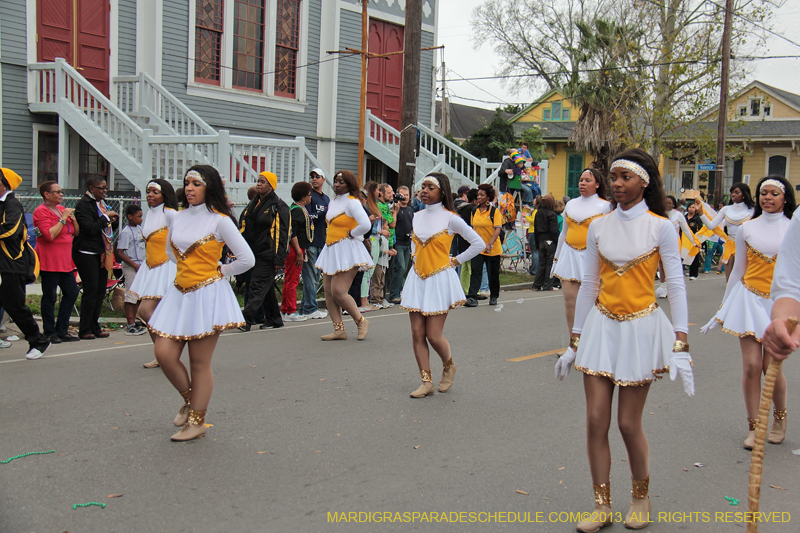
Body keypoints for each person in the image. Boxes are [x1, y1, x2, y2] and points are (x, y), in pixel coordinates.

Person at [555, 149, 693, 532]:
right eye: (612, 177)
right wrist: (574, 340)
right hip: (601, 327)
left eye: (624, 177)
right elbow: (589, 287)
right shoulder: (599, 226)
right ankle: (601, 504)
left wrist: (681, 340)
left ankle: (640, 495)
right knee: (595, 421)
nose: (616, 183)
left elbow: (676, 284)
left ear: (644, 182)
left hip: (640, 329)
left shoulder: (661, 227)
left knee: (628, 424)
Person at [148, 165, 255, 441]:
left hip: (207, 295)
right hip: (178, 293)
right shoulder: (177, 217)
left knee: (199, 362)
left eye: (196, 183)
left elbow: (246, 259)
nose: (190, 188)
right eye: (187, 183)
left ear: (209, 188)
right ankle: (189, 399)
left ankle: (196, 422)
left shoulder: (220, 221)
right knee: (164, 354)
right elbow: (173, 254)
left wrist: (221, 271)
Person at [701, 175, 795, 449]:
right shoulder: (746, 228)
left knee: (771, 367)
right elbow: (738, 269)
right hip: (749, 299)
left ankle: (780, 417)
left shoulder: (793, 229)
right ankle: (754, 426)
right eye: (763, 193)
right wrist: (721, 311)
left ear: (785, 198)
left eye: (774, 193)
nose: (767, 197)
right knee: (753, 366)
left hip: (779, 304)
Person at [400, 173, 484, 397]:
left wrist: (456, 260)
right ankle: (425, 382)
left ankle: (448, 365)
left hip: (439, 279)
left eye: (430, 187)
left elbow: (478, 243)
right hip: (417, 278)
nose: (424, 190)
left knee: (433, 335)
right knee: (417, 333)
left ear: (442, 191)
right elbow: (415, 247)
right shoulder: (416, 216)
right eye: (423, 187)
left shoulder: (451, 218)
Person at [551, 169, 612, 341]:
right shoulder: (571, 204)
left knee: (593, 304)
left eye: (587, 180)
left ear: (597, 184)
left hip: (592, 258)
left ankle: (593, 344)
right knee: (570, 302)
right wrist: (556, 259)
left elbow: (609, 236)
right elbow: (563, 233)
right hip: (569, 256)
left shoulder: (605, 206)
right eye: (581, 180)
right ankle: (574, 344)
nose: (582, 183)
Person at [0, 168, 52, 359]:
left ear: (4, 183)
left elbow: (10, 231)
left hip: (10, 264)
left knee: (14, 305)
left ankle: (39, 340)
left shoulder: (12, 205)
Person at [315, 170, 373, 341]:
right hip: (331, 249)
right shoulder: (333, 201)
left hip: (348, 250)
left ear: (349, 184)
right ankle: (339, 329)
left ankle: (361, 321)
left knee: (339, 291)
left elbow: (365, 225)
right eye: (335, 181)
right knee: (328, 291)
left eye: (341, 182)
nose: (337, 184)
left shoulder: (353, 203)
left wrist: (351, 234)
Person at [128, 179, 179, 368]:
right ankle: (162, 354)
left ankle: (169, 347)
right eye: (148, 191)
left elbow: (182, 239)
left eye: (155, 192)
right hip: (150, 268)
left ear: (165, 194)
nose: (150, 195)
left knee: (145, 311)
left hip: (167, 267)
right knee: (147, 312)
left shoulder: (171, 214)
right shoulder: (149, 214)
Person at [239, 171, 290, 331]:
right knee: (265, 287)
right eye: (258, 181)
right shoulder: (253, 204)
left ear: (271, 186)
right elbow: (244, 226)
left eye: (263, 181)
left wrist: (278, 259)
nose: (258, 184)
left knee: (256, 285)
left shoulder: (279, 206)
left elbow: (282, 235)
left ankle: (245, 321)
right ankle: (274, 319)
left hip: (268, 254)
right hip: (253, 252)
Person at [33, 180, 81, 344]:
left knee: (72, 292)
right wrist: (64, 218)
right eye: (57, 192)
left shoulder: (61, 210)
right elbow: (49, 235)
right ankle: (49, 331)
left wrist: (72, 219)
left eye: (61, 192)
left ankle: (62, 330)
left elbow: (75, 232)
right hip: (50, 261)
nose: (61, 194)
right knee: (50, 297)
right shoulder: (41, 212)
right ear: (47, 194)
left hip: (65, 261)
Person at [72, 177, 119, 339]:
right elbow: (90, 228)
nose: (105, 191)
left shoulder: (101, 205)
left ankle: (94, 325)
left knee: (100, 290)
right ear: (92, 188)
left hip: (101, 252)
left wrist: (113, 221)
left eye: (106, 188)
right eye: (101, 188)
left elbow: (106, 228)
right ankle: (84, 328)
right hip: (86, 252)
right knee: (90, 291)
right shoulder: (83, 205)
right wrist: (106, 218)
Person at [696, 183, 755, 281]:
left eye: (737, 192)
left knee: (744, 279)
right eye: (732, 192)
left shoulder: (752, 210)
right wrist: (701, 214)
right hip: (730, 244)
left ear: (744, 194)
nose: (733, 195)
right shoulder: (726, 209)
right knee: (730, 280)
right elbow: (711, 226)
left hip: (746, 245)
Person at [465, 184, 503, 307]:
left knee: (493, 273)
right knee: (475, 271)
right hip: (478, 248)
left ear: (488, 197)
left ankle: (494, 296)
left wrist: (490, 244)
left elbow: (497, 229)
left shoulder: (494, 211)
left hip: (492, 248)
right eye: (478, 195)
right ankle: (472, 296)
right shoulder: (474, 211)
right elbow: (473, 228)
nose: (479, 197)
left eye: (482, 195)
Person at [300, 168, 330, 320]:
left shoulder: (326, 199)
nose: (314, 179)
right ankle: (311, 307)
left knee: (315, 276)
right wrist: (322, 214)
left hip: (321, 241)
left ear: (323, 179)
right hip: (310, 242)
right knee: (310, 276)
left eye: (317, 176)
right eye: (312, 176)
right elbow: (308, 216)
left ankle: (306, 306)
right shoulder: (308, 197)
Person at [282, 181, 314, 322]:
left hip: (299, 248)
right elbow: (292, 232)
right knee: (292, 281)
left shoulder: (300, 208)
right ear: (302, 197)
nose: (310, 197)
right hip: (296, 249)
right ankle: (290, 311)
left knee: (290, 279)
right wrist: (299, 252)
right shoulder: (297, 210)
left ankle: (286, 309)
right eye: (308, 194)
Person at [655, 195, 697, 298]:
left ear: (673, 204)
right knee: (662, 266)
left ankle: (674, 288)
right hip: (661, 243)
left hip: (674, 243)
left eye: (669, 203)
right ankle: (664, 287)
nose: (667, 205)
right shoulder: (658, 214)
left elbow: (686, 230)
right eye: (665, 202)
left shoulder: (678, 215)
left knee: (672, 266)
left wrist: (694, 242)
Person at [115, 204, 148, 336]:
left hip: (141, 266)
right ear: (130, 217)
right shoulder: (126, 233)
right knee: (131, 295)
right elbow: (120, 252)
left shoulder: (140, 229)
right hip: (131, 267)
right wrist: (133, 264)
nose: (141, 219)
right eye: (138, 216)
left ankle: (135, 320)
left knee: (138, 296)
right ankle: (130, 324)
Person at [387, 186, 414, 304]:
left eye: (407, 195)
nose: (405, 197)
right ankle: (393, 294)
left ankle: (400, 291)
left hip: (408, 243)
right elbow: (392, 223)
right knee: (400, 267)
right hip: (397, 243)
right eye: (403, 195)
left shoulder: (410, 210)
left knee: (405, 269)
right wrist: (395, 210)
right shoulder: (394, 208)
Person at [532, 194, 560, 291]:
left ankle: (537, 284)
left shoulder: (538, 213)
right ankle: (547, 285)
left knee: (542, 264)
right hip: (550, 241)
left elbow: (535, 229)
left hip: (540, 240)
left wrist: (536, 244)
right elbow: (554, 230)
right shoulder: (552, 214)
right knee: (550, 264)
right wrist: (557, 241)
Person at [684, 203, 703, 280]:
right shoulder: (684, 218)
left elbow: (700, 229)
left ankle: (693, 274)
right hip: (684, 239)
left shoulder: (697, 219)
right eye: (690, 207)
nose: (691, 209)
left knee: (694, 257)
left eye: (693, 207)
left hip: (694, 239)